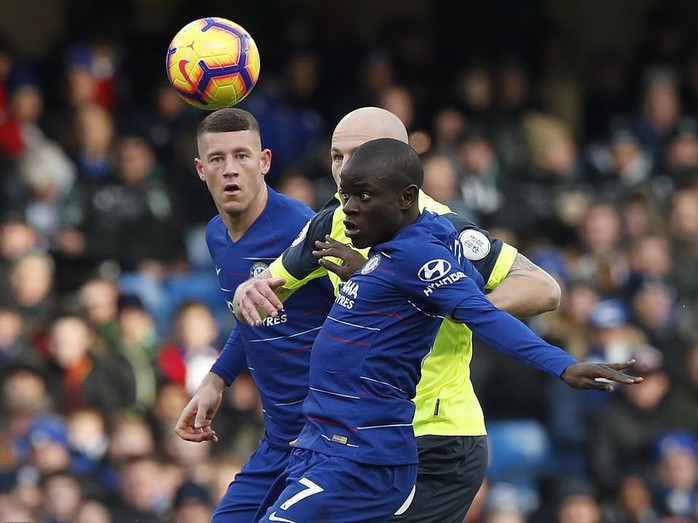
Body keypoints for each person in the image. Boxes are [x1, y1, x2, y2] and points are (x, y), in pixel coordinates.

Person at [232, 107, 631, 523]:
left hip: (433, 438)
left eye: (360, 155)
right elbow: (262, 290)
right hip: (350, 437)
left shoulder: (442, 235)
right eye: (336, 157)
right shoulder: (339, 222)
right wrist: (239, 314)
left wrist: (441, 306)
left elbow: (543, 288)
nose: (344, 170)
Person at [174, 107, 335, 522]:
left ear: (264, 162)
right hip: (280, 440)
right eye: (217, 159)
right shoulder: (215, 235)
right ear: (199, 169)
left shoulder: (302, 227)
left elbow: (356, 310)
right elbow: (251, 317)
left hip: (329, 440)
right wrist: (216, 379)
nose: (230, 170)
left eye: (242, 156)